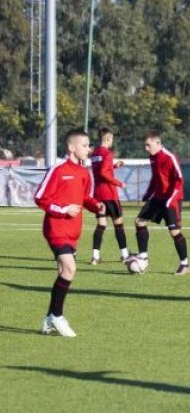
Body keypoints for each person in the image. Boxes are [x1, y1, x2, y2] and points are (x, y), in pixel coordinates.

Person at [35, 129, 105, 337]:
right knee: (70, 269)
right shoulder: (58, 169)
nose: (88, 149)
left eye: (89, 145)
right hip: (56, 229)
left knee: (64, 273)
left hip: (73, 232)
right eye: (84, 145)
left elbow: (85, 198)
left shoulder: (84, 173)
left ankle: (49, 319)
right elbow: (40, 197)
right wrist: (63, 210)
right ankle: (57, 316)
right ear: (71, 147)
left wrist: (96, 206)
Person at [132, 131, 190, 275]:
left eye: (148, 145)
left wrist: (171, 199)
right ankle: (143, 257)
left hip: (172, 200)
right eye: (145, 145)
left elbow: (179, 180)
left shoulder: (170, 157)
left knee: (174, 232)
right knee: (139, 221)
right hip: (158, 198)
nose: (146, 148)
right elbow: (155, 178)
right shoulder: (152, 157)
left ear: (158, 143)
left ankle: (185, 264)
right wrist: (147, 194)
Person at [90, 127, 130, 264]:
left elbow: (101, 170)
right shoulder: (107, 153)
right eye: (112, 138)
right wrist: (119, 183)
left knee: (101, 225)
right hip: (109, 194)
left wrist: (114, 167)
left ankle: (95, 256)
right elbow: (103, 173)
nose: (112, 141)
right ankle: (125, 255)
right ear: (108, 138)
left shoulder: (95, 154)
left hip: (98, 194)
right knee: (118, 225)